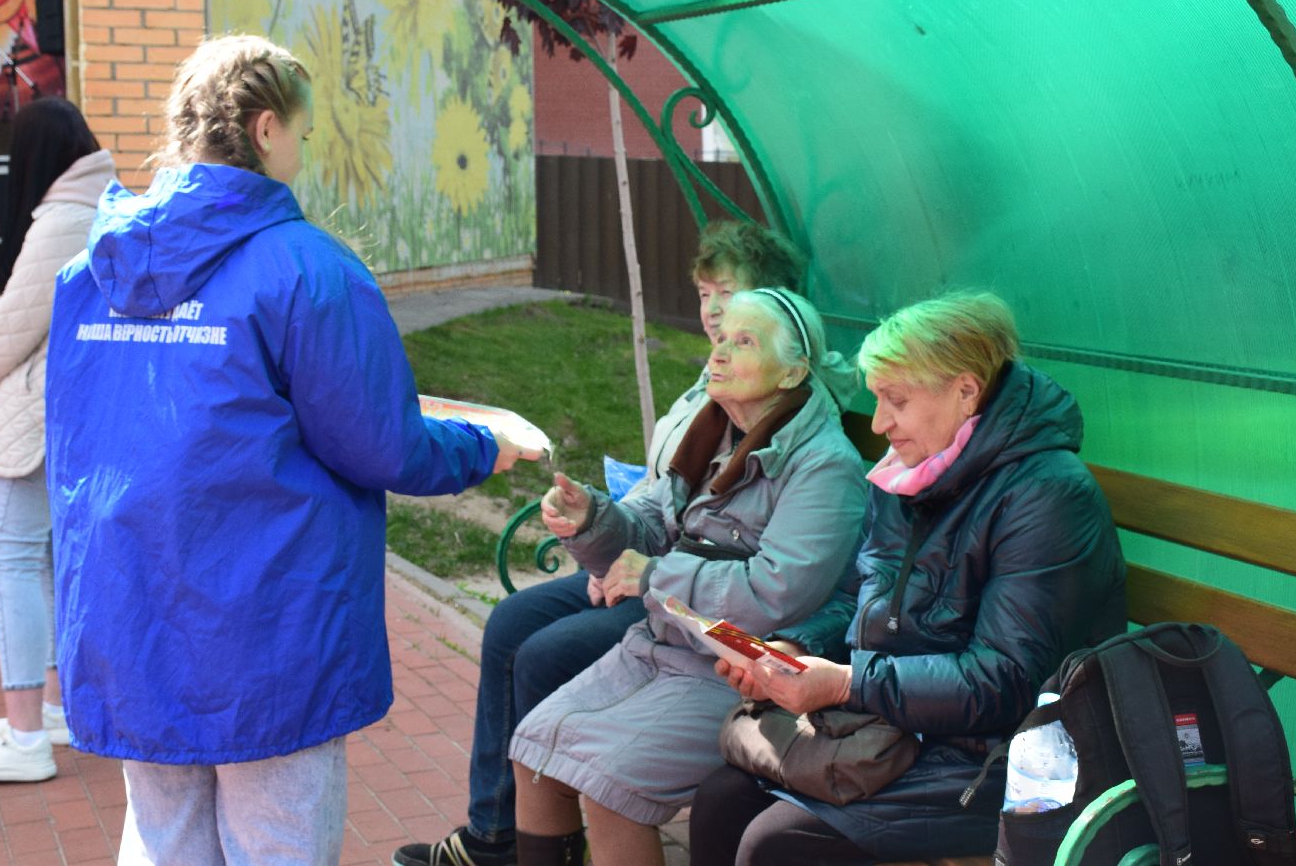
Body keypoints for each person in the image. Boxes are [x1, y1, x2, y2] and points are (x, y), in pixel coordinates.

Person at [42, 34, 540, 864]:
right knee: (278, 843)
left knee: (163, 840)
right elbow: (379, 443)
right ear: (266, 128)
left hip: (131, 618)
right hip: (268, 627)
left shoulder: (90, 274)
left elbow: (77, 447)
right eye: (303, 135)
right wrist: (484, 446)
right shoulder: (308, 269)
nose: (303, 156)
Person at [394, 221, 805, 866]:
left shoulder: (795, 431)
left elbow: (767, 576)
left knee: (541, 655)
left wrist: (643, 570)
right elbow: (661, 496)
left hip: (692, 610)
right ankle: (496, 833)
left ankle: (527, 833)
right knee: (511, 621)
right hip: (661, 579)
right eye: (704, 295)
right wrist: (596, 527)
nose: (713, 315)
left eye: (729, 296)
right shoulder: (708, 391)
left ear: (779, 314)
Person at [690, 291, 1127, 866]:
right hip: (902, 728)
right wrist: (792, 651)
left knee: (778, 844)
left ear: (966, 391)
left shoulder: (1047, 496)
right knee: (720, 801)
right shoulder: (912, 473)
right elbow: (859, 596)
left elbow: (1007, 680)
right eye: (877, 399)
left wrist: (846, 685)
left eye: (896, 400)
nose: (879, 423)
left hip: (1003, 756)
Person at [506, 288, 867, 866]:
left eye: (744, 342)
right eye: (721, 337)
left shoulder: (824, 466)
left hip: (741, 669)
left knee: (609, 786)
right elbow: (652, 524)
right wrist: (592, 521)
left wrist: (656, 577)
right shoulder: (711, 433)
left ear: (792, 371)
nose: (719, 351)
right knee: (532, 754)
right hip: (664, 644)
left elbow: (773, 594)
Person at [0, 97, 115, 783]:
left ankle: (24, 740)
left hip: (36, 414)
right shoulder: (101, 205)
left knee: (8, 553)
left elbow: (12, 325)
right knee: (39, 557)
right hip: (63, 410)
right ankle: (50, 711)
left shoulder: (65, 218)